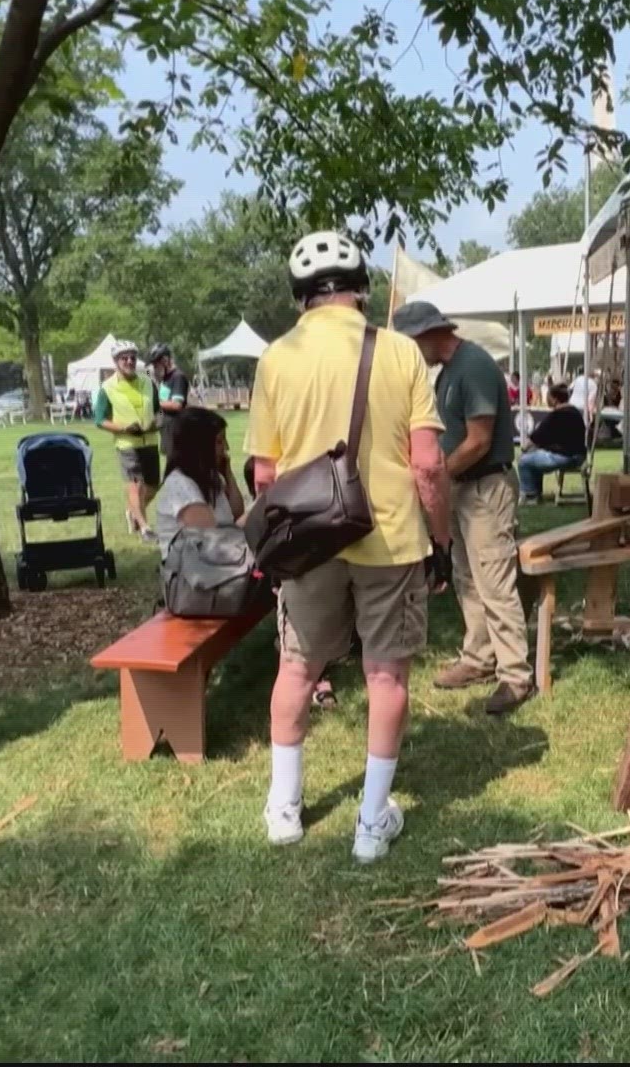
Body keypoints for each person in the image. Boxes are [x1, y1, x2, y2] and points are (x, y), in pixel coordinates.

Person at [247, 230, 452, 863]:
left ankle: (285, 809)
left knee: (297, 669)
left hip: (309, 539)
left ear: (301, 295)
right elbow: (428, 466)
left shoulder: (276, 358)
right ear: (361, 288)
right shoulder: (400, 353)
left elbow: (263, 475)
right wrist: (440, 541)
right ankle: (370, 825)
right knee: (386, 674)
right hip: (389, 536)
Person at [392, 300, 534, 717]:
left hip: (485, 487)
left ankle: (515, 675)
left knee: (494, 579)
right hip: (464, 487)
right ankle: (478, 657)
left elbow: (479, 441)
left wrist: (440, 475)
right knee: (467, 577)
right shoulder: (449, 372)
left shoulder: (471, 366)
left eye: (411, 344)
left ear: (428, 335)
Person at [92, 342, 160, 540]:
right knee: (135, 485)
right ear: (116, 362)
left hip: (149, 440)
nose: (129, 361)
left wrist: (156, 423)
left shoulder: (148, 382)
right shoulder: (107, 388)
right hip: (127, 444)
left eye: (132, 357)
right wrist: (123, 428)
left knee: (153, 486)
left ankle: (133, 513)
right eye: (124, 358)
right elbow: (100, 420)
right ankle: (145, 527)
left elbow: (157, 411)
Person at [154, 407, 245, 549]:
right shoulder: (180, 485)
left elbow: (236, 513)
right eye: (219, 441)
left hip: (218, 561)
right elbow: (211, 540)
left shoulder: (211, 477)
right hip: (193, 566)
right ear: (199, 445)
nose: (226, 448)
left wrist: (228, 474)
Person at [516, 383, 586, 504]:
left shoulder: (555, 416)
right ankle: (536, 492)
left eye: (548, 396)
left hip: (564, 457)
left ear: (554, 399)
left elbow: (534, 440)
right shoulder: (576, 413)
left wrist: (523, 450)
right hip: (579, 456)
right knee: (534, 457)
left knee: (524, 461)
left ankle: (530, 495)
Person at [147, 345, 189, 460]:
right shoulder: (166, 378)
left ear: (165, 360)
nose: (154, 368)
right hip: (166, 429)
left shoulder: (178, 377)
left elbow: (177, 405)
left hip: (176, 429)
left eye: (156, 364)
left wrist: (152, 403)